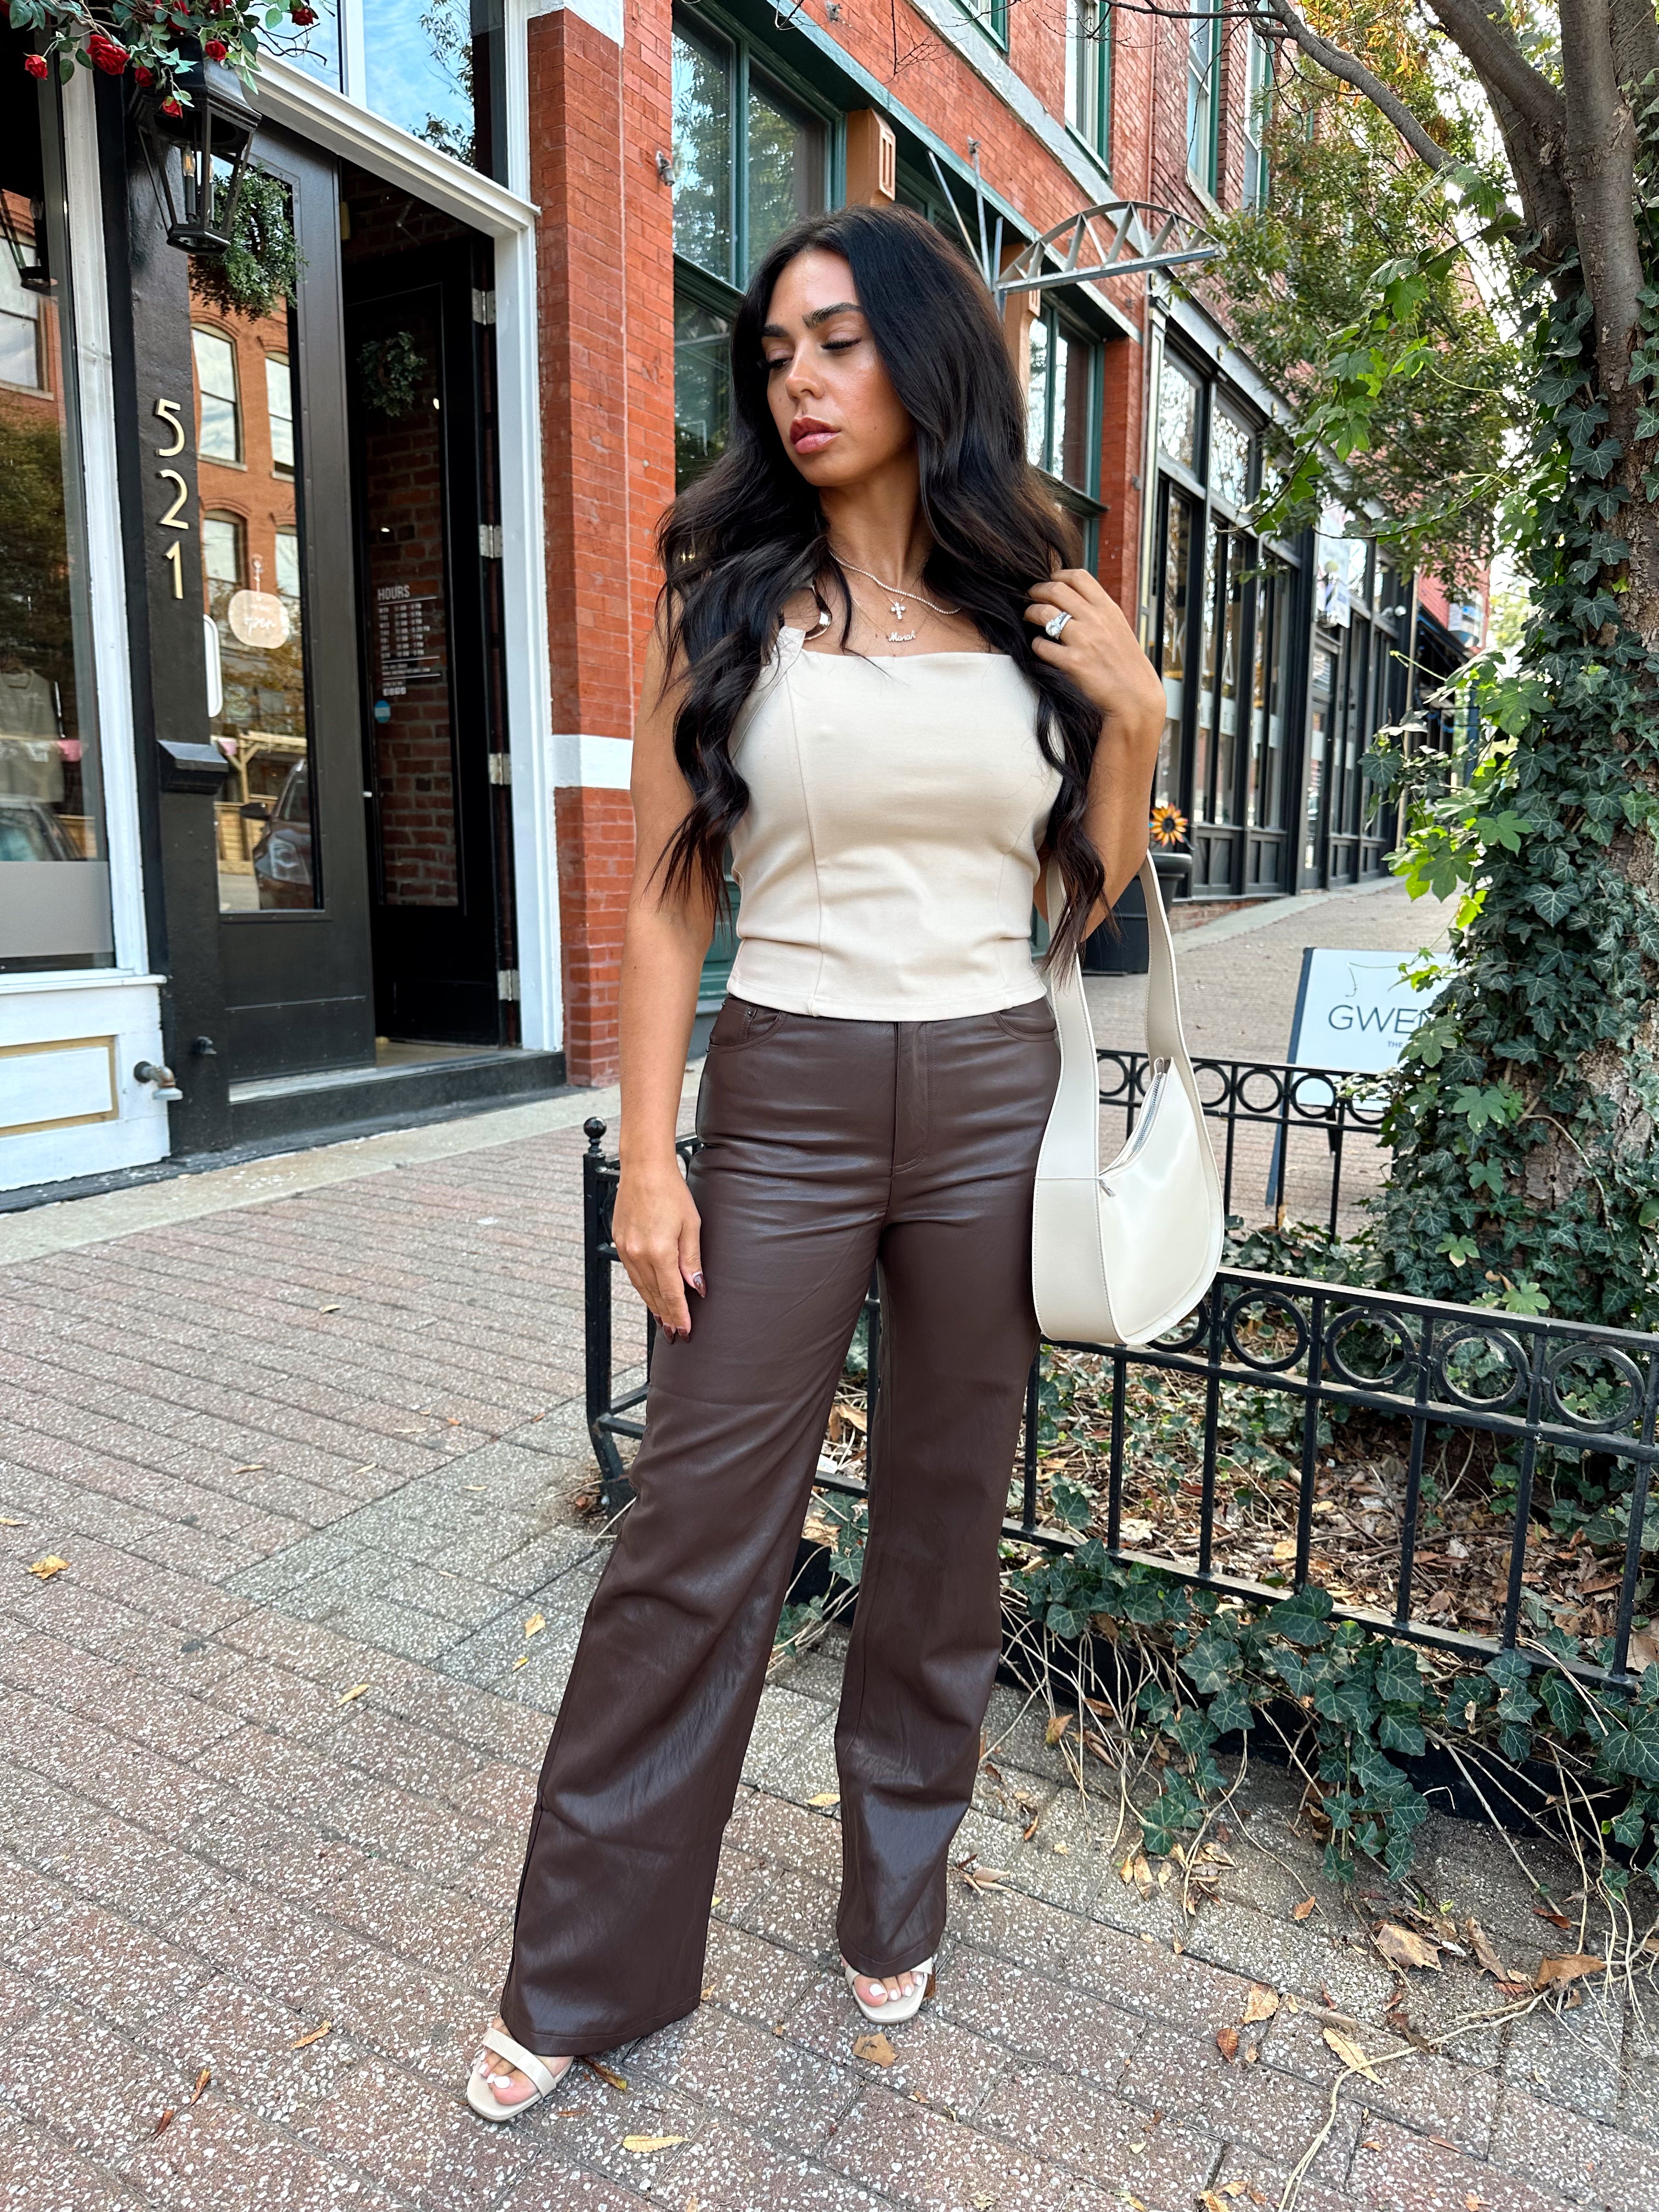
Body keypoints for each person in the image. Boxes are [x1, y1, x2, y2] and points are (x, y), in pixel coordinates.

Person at [466, 203, 1165, 2119]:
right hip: (784, 1093)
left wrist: (1134, 718)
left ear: (928, 358)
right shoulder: (727, 608)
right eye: (776, 352)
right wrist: (652, 1159)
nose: (801, 381)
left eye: (840, 342)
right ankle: (584, 1974)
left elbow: (1081, 893)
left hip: (992, 1090)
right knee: (695, 1539)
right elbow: (667, 895)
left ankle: (896, 1898)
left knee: (945, 1524)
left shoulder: (1040, 612)